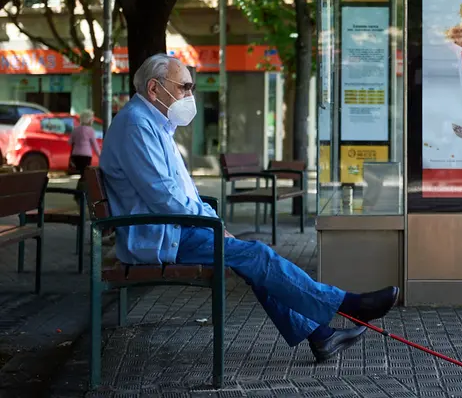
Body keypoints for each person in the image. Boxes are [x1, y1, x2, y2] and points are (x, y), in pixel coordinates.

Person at [99, 54, 398, 361]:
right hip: (161, 236)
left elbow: (173, 192)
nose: (190, 95)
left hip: (173, 228)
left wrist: (212, 222)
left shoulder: (151, 123)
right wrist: (213, 224)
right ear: (154, 88)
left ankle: (322, 336)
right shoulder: (138, 125)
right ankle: (345, 305)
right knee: (257, 255)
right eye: (184, 87)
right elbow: (165, 197)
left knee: (255, 263)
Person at [69, 109, 101, 194]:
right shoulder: (90, 130)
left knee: (83, 175)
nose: (93, 120)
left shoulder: (75, 129)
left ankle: (79, 194)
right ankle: (80, 195)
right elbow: (95, 145)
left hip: (76, 156)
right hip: (86, 156)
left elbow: (70, 142)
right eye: (92, 119)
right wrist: (100, 156)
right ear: (89, 120)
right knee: (85, 175)